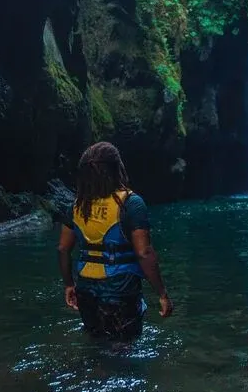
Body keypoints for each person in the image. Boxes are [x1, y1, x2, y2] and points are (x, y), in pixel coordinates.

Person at [58, 142, 173, 349]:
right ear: (117, 169)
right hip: (121, 289)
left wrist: (68, 285)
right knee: (124, 348)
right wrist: (162, 294)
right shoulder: (130, 203)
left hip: (86, 289)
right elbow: (144, 253)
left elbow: (63, 249)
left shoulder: (77, 206)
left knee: (96, 344)